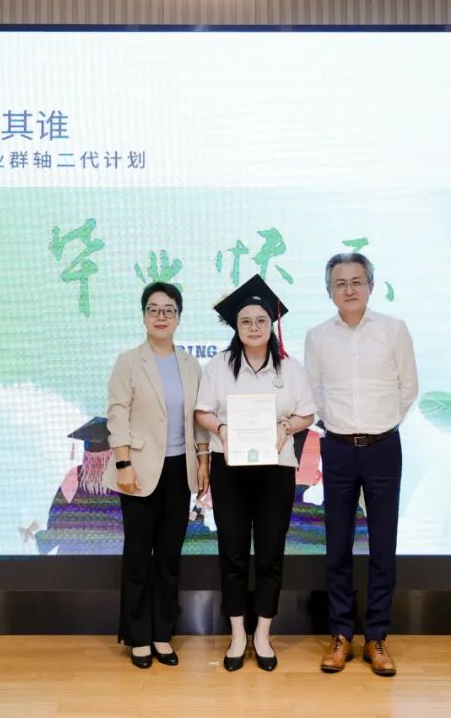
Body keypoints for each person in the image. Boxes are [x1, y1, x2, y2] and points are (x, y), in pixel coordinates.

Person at [304, 252, 418, 677]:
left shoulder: (394, 330)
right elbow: (314, 392)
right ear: (329, 291)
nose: (348, 289)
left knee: (383, 545)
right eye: (340, 283)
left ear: (370, 285)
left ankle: (376, 637)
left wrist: (380, 425)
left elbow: (408, 388)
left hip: (384, 447)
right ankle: (340, 635)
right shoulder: (317, 337)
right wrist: (340, 426)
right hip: (336, 448)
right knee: (337, 545)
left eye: (356, 281)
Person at [195, 275, 315, 672]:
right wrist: (222, 428)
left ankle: (262, 633)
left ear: (271, 324)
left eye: (261, 320)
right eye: (245, 321)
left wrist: (287, 426)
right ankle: (237, 635)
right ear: (236, 326)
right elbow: (202, 412)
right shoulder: (219, 366)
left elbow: (307, 413)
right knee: (232, 552)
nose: (253, 327)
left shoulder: (290, 368)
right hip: (230, 469)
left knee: (269, 553)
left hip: (275, 470)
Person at [102, 282, 210, 669]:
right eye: (153, 309)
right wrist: (123, 463)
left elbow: (197, 418)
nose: (161, 316)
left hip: (180, 471)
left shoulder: (190, 364)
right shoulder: (129, 361)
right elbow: (117, 413)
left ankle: (163, 634)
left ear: (179, 317)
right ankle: (138, 637)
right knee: (137, 555)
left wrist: (203, 459)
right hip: (139, 470)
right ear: (144, 316)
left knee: (168, 556)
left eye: (169, 310)